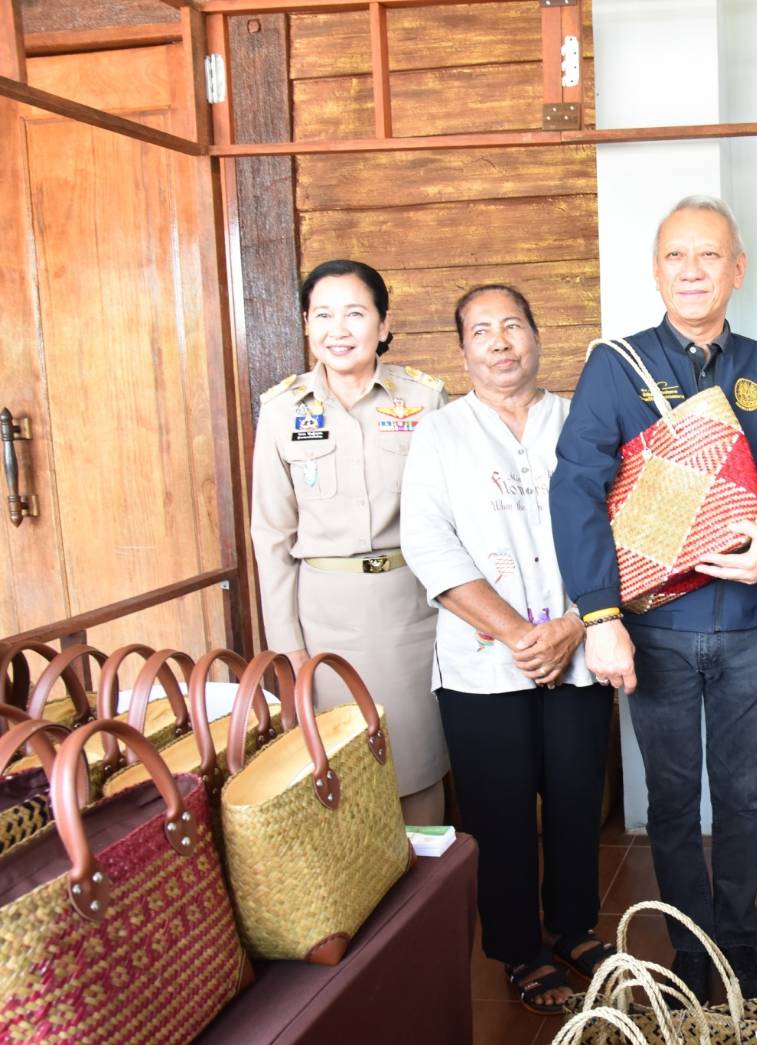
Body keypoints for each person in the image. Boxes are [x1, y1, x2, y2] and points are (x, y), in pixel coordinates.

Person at [550, 196, 757, 1000]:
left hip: (747, 625)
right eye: (675, 256)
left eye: (708, 255)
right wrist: (599, 616)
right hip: (654, 624)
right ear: (656, 271)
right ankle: (689, 951)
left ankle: (737, 944)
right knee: (669, 798)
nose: (692, 270)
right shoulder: (616, 365)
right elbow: (575, 489)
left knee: (739, 798)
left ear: (738, 268)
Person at [400, 284, 615, 1013]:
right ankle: (520, 948)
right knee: (499, 811)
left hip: (579, 649)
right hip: (483, 662)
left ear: (536, 335)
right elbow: (428, 543)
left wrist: (573, 625)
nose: (499, 342)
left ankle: (575, 928)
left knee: (578, 799)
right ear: (462, 350)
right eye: (481, 331)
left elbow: (621, 526)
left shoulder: (579, 419)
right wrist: (521, 634)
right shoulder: (440, 432)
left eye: (513, 325)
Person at [250, 258, 449, 825]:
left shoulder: (424, 399)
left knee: (416, 764)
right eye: (323, 315)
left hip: (411, 609)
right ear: (306, 325)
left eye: (355, 313)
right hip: (324, 616)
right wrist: (289, 646)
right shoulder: (282, 410)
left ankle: (429, 881)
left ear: (383, 324)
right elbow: (271, 534)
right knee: (341, 770)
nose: (338, 330)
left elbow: (452, 514)